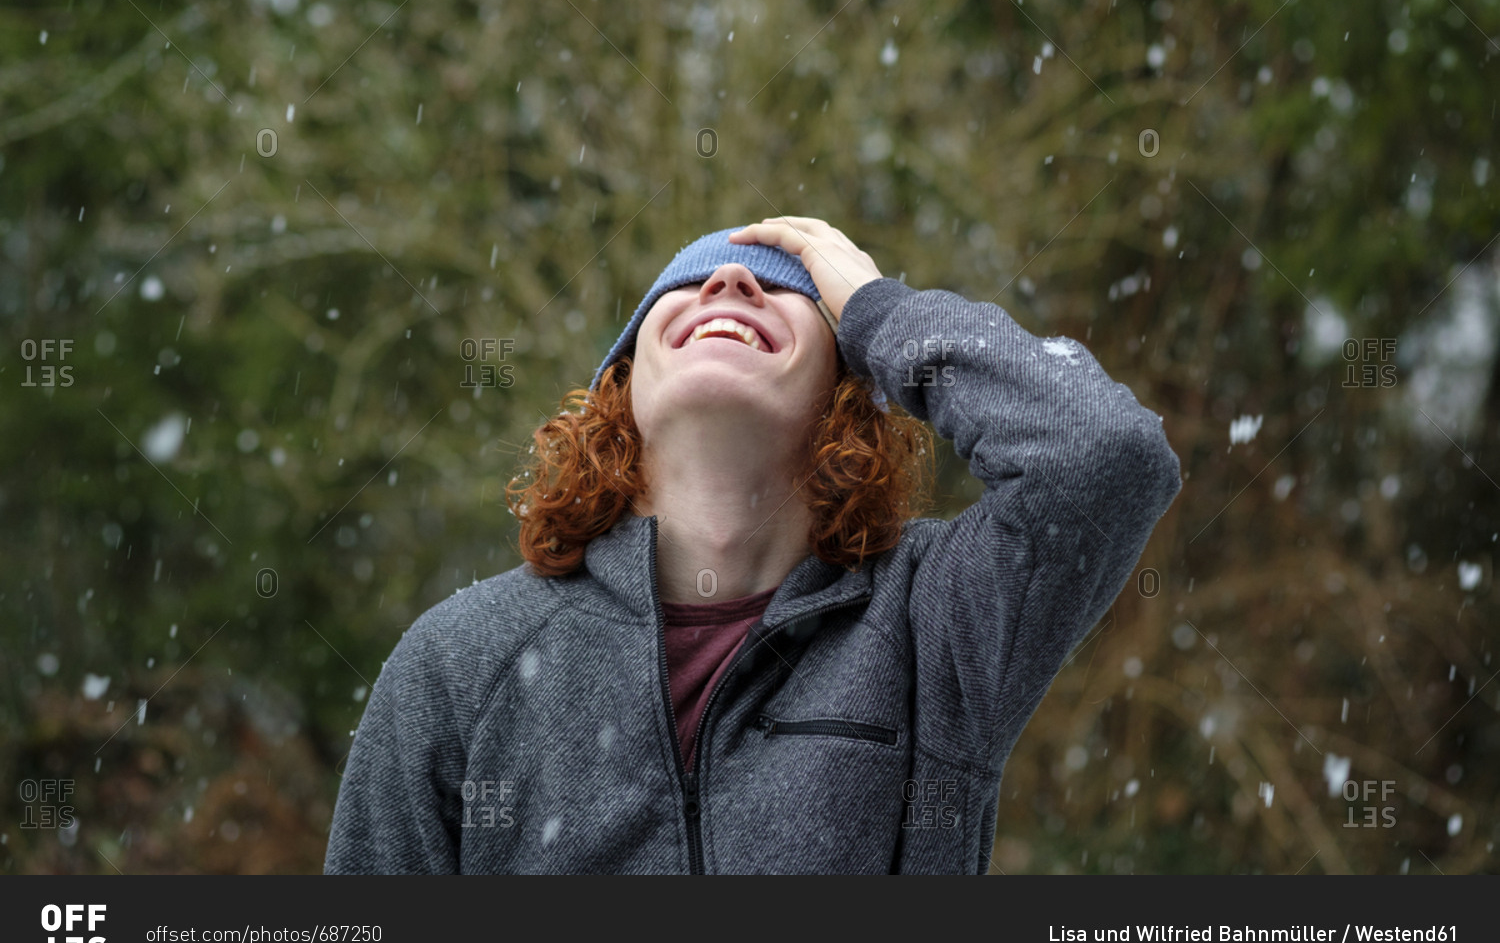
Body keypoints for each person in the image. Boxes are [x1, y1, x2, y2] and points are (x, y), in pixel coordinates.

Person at [324, 216, 1181, 874]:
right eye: (689, 283)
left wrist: (881, 311)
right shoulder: (462, 662)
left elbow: (1104, 456)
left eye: (783, 294)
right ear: (621, 391)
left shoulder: (931, 620)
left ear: (849, 394)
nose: (730, 278)